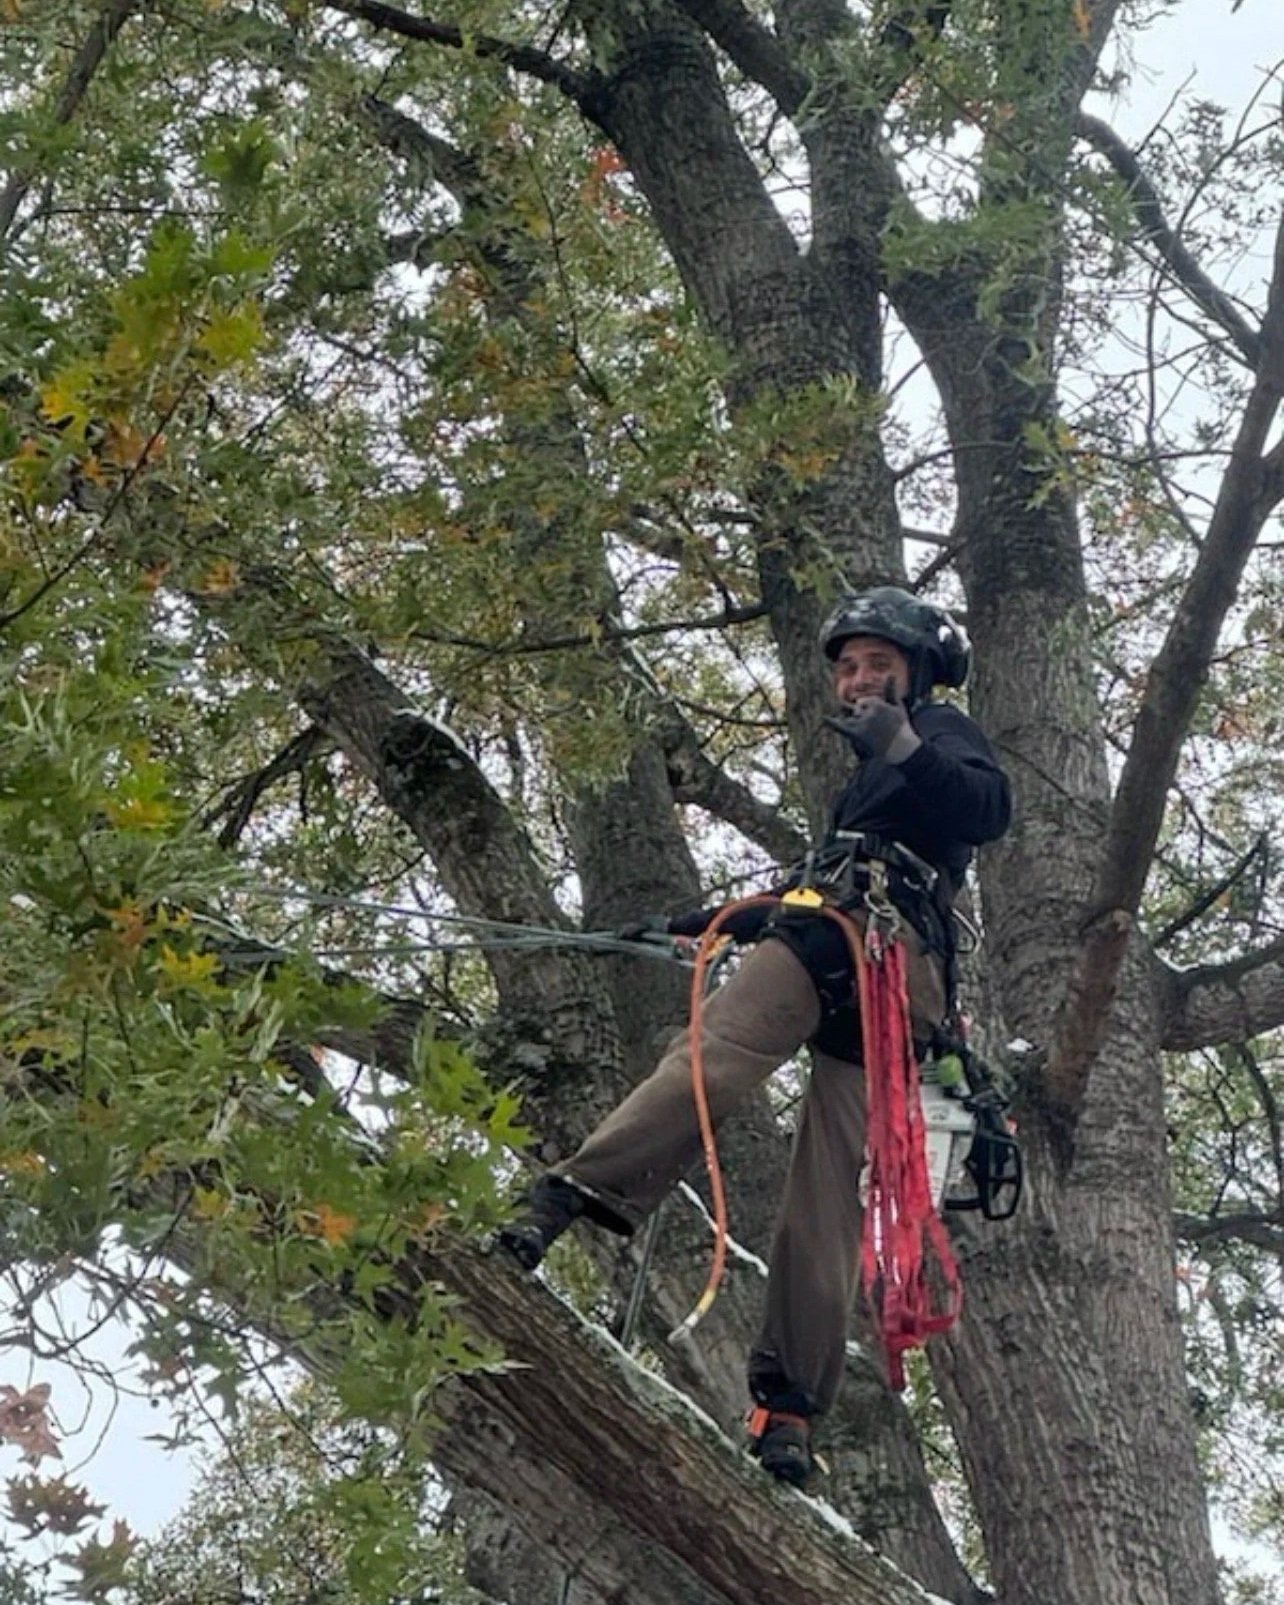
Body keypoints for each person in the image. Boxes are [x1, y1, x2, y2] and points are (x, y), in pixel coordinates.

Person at [501, 586, 1012, 1485]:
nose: (857, 679)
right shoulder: (870, 775)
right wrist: (708, 922)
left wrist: (900, 740)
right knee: (716, 1061)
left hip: (885, 959)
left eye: (875, 663)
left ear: (919, 670)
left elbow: (984, 811)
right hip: (832, 933)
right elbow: (827, 876)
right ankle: (568, 1198)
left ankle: (787, 1408)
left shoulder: (940, 732)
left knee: (827, 1200)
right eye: (848, 667)